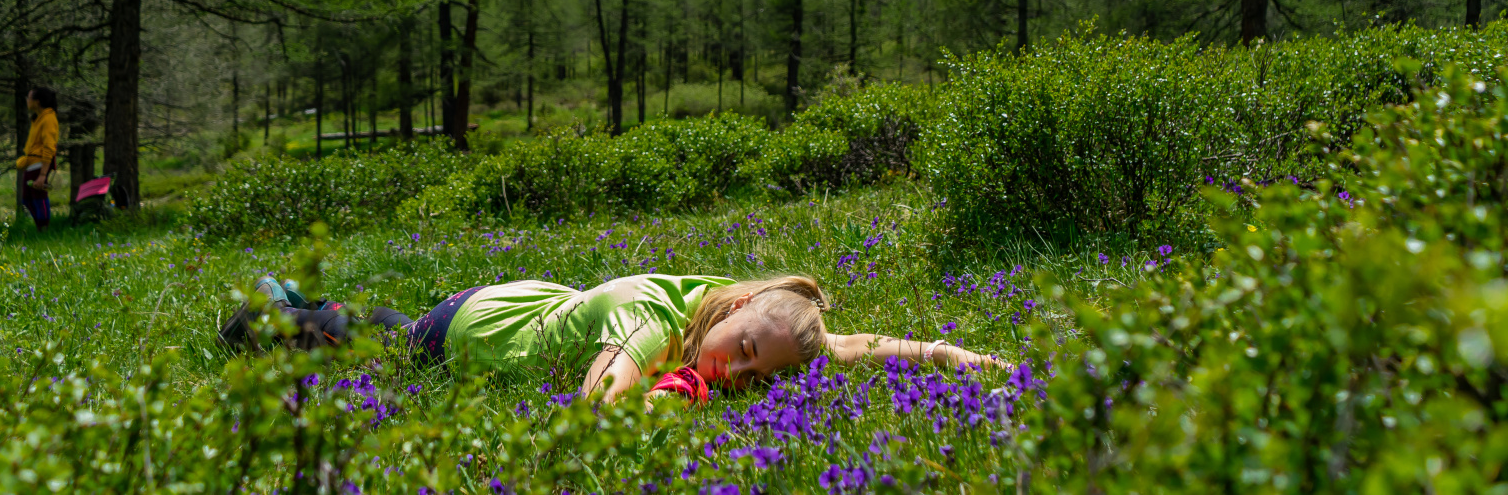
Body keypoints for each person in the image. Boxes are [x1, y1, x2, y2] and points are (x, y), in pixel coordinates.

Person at [222, 273, 1006, 404]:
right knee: (378, 347)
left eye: (754, 372)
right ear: (729, 313)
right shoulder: (653, 319)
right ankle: (268, 314)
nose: (733, 368)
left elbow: (850, 346)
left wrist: (955, 358)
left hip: (524, 306)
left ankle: (305, 300)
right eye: (738, 348)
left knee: (371, 326)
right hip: (467, 331)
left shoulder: (752, 316)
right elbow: (600, 394)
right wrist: (666, 403)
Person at [17, 86, 59, 231]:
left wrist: (42, 174)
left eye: (29, 98)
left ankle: (44, 229)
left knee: (39, 197)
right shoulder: (38, 118)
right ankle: (40, 227)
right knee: (27, 199)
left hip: (40, 165)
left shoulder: (48, 119)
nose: (27, 101)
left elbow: (49, 147)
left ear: (37, 101)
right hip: (31, 164)